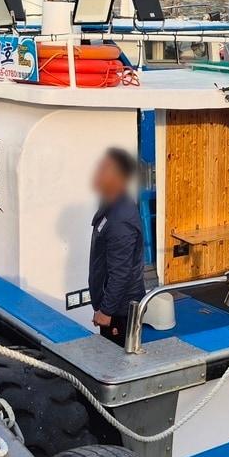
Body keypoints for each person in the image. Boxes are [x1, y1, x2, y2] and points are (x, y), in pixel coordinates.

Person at [88, 147, 146, 346]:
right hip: (113, 306)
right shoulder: (110, 204)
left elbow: (120, 273)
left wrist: (106, 311)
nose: (98, 172)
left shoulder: (121, 219)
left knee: (119, 361)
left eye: (104, 169)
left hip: (120, 312)